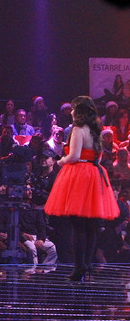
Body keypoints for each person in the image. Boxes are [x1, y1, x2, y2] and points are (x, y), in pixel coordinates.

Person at [45, 96, 120, 281]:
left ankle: (79, 267)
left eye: (73, 108)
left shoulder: (78, 129)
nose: (71, 112)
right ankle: (87, 263)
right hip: (95, 174)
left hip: (80, 175)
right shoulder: (96, 130)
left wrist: (59, 161)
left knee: (78, 225)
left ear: (79, 111)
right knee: (91, 225)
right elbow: (99, 158)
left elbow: (74, 156)